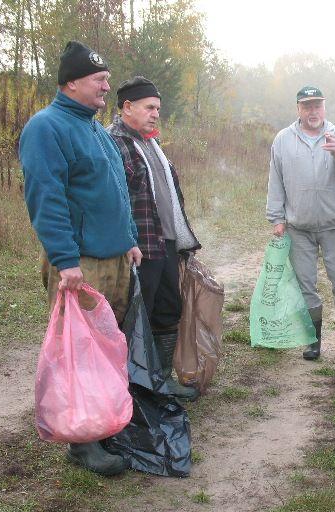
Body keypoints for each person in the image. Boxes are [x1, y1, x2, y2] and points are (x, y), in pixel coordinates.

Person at [19, 40, 141, 476]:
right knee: (81, 351)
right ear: (71, 82)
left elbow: (115, 192)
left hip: (114, 260)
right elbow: (45, 197)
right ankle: (82, 443)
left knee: (107, 346)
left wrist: (129, 238)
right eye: (99, 79)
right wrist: (65, 260)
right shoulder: (46, 128)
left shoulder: (94, 128)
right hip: (80, 264)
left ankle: (102, 424)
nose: (107, 86)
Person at [107, 76, 201, 399]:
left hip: (166, 243)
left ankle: (160, 381)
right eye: (149, 107)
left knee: (167, 309)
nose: (155, 114)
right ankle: (133, 388)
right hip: (140, 246)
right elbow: (114, 199)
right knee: (137, 315)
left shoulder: (151, 142)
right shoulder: (114, 142)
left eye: (158, 108)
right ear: (127, 107)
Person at [266, 85, 335, 360]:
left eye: (317, 106)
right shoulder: (283, 139)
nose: (312, 111)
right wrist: (277, 218)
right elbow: (276, 180)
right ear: (298, 109)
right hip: (299, 227)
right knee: (304, 284)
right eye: (307, 106)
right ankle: (313, 340)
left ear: (324, 108)